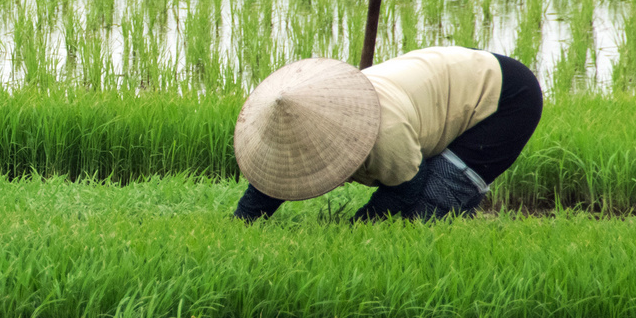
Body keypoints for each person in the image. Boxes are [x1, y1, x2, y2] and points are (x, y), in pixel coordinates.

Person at [231, 47, 542, 222]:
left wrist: (356, 230)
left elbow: (407, 186)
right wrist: (242, 222)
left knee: (424, 213)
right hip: (440, 86)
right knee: (419, 211)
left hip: (505, 98)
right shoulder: (310, 118)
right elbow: (277, 177)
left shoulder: (384, 133)